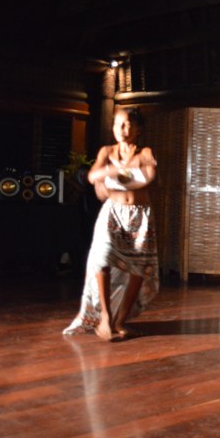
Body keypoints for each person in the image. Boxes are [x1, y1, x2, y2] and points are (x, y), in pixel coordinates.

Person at [63, 108, 159, 342]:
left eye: (127, 125)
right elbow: (91, 176)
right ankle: (105, 317)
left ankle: (120, 320)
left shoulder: (145, 152)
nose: (122, 130)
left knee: (138, 268)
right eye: (117, 125)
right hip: (113, 214)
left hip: (139, 216)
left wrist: (112, 178)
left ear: (138, 129)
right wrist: (113, 173)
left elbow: (148, 177)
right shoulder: (106, 151)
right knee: (102, 257)